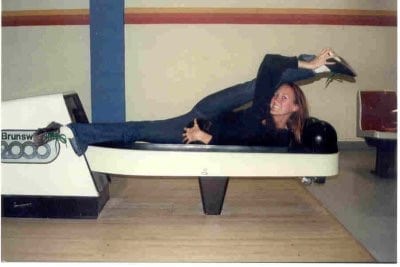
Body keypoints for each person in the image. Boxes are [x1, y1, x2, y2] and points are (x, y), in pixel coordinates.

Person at [33, 48, 356, 156]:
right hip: (210, 112)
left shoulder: (279, 134)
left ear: (296, 108)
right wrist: (311, 65)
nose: (275, 101)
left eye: (283, 99)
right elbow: (270, 61)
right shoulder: (261, 109)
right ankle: (320, 65)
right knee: (256, 85)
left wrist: (206, 138)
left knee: (137, 130)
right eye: (277, 96)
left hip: (195, 128)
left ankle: (69, 131)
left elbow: (243, 141)